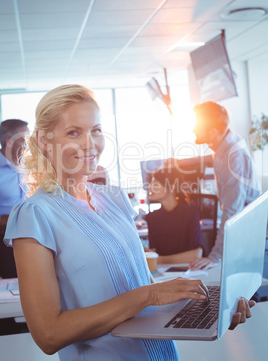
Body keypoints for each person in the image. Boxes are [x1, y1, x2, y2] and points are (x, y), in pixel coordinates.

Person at [4, 86, 254, 360]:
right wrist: (147, 295)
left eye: (96, 130)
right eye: (74, 132)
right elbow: (49, 335)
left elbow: (145, 290)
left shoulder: (114, 199)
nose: (90, 144)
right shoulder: (34, 214)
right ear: (43, 140)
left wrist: (211, 311)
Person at [166, 101, 260, 271]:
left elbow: (232, 211)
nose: (194, 130)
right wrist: (181, 162)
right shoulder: (223, 145)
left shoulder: (234, 157)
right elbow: (212, 158)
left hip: (246, 229)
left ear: (213, 132)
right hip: (239, 224)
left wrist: (215, 256)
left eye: (198, 126)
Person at [145, 167, 203, 264]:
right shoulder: (152, 218)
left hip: (187, 272)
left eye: (155, 184)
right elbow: (154, 253)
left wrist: (160, 260)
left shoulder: (190, 214)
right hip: (162, 274)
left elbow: (196, 254)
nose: (150, 187)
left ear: (172, 187)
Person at [0, 119, 28, 216]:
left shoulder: (30, 168)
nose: (27, 145)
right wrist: (12, 221)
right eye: (23, 140)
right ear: (9, 141)